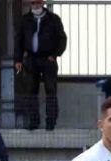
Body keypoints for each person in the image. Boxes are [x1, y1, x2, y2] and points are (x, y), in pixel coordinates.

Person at [13, 0, 67, 131]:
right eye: (33, 3)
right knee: (31, 91)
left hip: (48, 59)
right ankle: (33, 121)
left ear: (42, 3)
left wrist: (54, 55)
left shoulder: (53, 19)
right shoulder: (25, 20)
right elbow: (18, 40)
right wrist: (18, 59)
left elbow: (62, 38)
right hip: (31, 59)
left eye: (38, 3)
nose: (36, 6)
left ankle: (51, 121)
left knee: (51, 90)